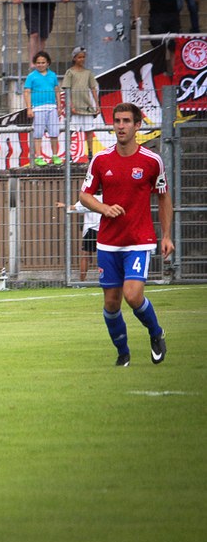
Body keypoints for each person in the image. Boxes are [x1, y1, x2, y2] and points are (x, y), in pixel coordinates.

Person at [79, 102, 172, 367]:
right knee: (111, 303)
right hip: (108, 242)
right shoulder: (101, 160)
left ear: (137, 125)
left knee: (132, 295)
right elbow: (84, 195)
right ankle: (123, 354)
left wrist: (166, 235)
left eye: (127, 121)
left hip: (139, 240)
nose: (121, 126)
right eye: (117, 121)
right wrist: (104, 208)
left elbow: (164, 197)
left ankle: (156, 333)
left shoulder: (151, 161)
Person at [9, 0, 72, 65]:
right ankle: (32, 63)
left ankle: (41, 62)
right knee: (34, 34)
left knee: (43, 36)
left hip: (48, 5)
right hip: (32, 4)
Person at [23, 50, 63, 167]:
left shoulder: (52, 75)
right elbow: (27, 92)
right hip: (38, 108)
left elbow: (57, 90)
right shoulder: (31, 76)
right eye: (38, 63)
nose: (41, 65)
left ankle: (55, 155)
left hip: (52, 107)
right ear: (35, 64)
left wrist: (59, 106)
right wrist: (29, 108)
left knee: (54, 132)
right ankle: (38, 156)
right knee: (38, 133)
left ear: (48, 63)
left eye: (43, 62)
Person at [61, 46, 100, 162]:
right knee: (71, 130)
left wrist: (97, 104)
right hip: (75, 108)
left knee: (89, 131)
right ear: (74, 58)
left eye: (83, 57)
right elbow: (67, 90)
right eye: (79, 57)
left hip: (87, 106)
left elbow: (93, 88)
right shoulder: (70, 72)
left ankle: (90, 153)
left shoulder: (88, 73)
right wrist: (71, 105)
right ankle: (68, 154)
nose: (82, 59)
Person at [57, 194, 101, 282]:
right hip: (103, 229)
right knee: (105, 255)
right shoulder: (107, 197)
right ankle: (108, 279)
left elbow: (74, 208)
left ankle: (82, 281)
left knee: (85, 255)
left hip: (90, 230)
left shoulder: (88, 198)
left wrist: (63, 205)